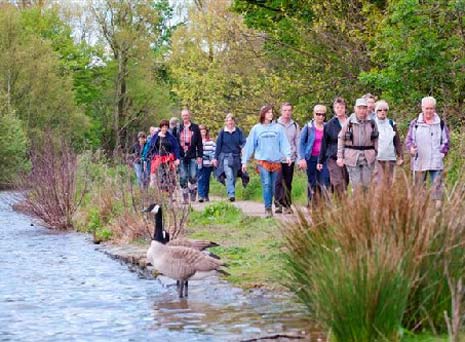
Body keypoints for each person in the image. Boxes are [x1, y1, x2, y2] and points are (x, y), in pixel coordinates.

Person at [242, 105, 291, 217]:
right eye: (268, 112)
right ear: (263, 114)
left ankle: (273, 204)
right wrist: (244, 161)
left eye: (271, 112)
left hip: (276, 161)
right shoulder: (256, 129)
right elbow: (249, 146)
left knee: (274, 186)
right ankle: (268, 208)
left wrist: (287, 155)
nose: (271, 114)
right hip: (262, 161)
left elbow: (284, 143)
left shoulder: (278, 128)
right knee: (266, 183)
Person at [405, 96, 450, 202]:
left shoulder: (440, 123)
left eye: (431, 108)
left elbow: (446, 141)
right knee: (419, 190)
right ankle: (421, 213)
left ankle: (437, 213)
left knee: (438, 190)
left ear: (434, 109)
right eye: (427, 108)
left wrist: (442, 153)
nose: (429, 111)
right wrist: (411, 149)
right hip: (419, 161)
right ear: (422, 108)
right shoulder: (415, 123)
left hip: (436, 161)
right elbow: (409, 140)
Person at [337, 98, 379, 190]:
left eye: (364, 108)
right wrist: (340, 156)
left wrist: (377, 153)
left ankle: (365, 204)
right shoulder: (349, 122)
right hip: (352, 156)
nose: (362, 110)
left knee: (366, 185)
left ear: (367, 109)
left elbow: (376, 139)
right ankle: (357, 204)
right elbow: (341, 138)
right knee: (356, 185)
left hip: (368, 157)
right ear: (355, 108)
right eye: (359, 108)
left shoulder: (372, 122)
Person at [298, 105, 330, 207]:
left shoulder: (327, 127)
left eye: (323, 114)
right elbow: (301, 143)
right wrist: (302, 158)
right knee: (312, 181)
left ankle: (322, 204)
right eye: (318, 114)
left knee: (324, 180)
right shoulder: (308, 127)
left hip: (324, 159)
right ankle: (311, 203)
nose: (320, 116)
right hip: (311, 158)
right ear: (314, 114)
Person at [317, 97, 349, 196]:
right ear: (334, 109)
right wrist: (320, 160)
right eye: (337, 107)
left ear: (345, 108)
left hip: (349, 156)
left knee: (345, 181)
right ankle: (341, 204)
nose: (339, 109)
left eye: (341, 107)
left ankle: (337, 197)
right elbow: (324, 143)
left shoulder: (351, 122)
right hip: (333, 157)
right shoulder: (329, 125)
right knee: (338, 181)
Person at [213, 113, 247, 202]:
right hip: (225, 157)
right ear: (226, 122)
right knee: (229, 175)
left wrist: (243, 147)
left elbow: (244, 142)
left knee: (234, 176)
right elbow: (218, 146)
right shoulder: (222, 133)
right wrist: (215, 158)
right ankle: (231, 194)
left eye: (232, 121)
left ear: (234, 122)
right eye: (228, 121)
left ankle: (231, 191)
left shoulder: (238, 131)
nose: (230, 123)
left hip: (236, 157)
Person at [172, 109, 203, 204]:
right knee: (183, 177)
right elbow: (173, 143)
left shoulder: (195, 127)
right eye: (183, 115)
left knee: (193, 175)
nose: (185, 117)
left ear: (189, 116)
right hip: (181, 155)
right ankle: (185, 197)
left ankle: (193, 191)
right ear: (181, 116)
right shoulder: (177, 128)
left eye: (187, 115)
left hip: (192, 154)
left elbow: (199, 143)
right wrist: (174, 157)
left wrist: (200, 156)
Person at [274, 102, 300, 214]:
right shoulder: (275, 124)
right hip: (278, 158)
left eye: (289, 110)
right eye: (285, 110)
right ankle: (278, 204)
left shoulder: (295, 125)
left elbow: (298, 142)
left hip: (291, 157)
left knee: (288, 182)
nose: (287, 113)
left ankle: (287, 204)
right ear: (281, 111)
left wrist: (299, 158)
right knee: (279, 180)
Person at [146, 120, 180, 195]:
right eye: (163, 127)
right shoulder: (156, 136)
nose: (164, 129)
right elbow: (151, 147)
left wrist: (177, 158)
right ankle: (163, 192)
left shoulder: (171, 137)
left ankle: (169, 191)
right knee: (161, 175)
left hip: (169, 159)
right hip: (158, 159)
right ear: (160, 127)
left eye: (166, 127)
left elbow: (176, 147)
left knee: (170, 176)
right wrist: (149, 156)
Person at [373, 100, 403, 186]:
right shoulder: (372, 124)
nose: (383, 112)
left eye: (385, 110)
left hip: (390, 158)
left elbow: (397, 141)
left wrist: (400, 156)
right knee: (379, 183)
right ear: (376, 111)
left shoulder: (391, 123)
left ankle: (387, 199)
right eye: (380, 110)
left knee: (389, 184)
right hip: (377, 159)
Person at [198, 125, 216, 202]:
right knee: (200, 179)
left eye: (204, 130)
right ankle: (201, 196)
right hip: (199, 163)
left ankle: (206, 195)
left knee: (206, 180)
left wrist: (213, 159)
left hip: (208, 164)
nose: (203, 131)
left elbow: (214, 152)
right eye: (201, 130)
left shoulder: (211, 142)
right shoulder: (196, 141)